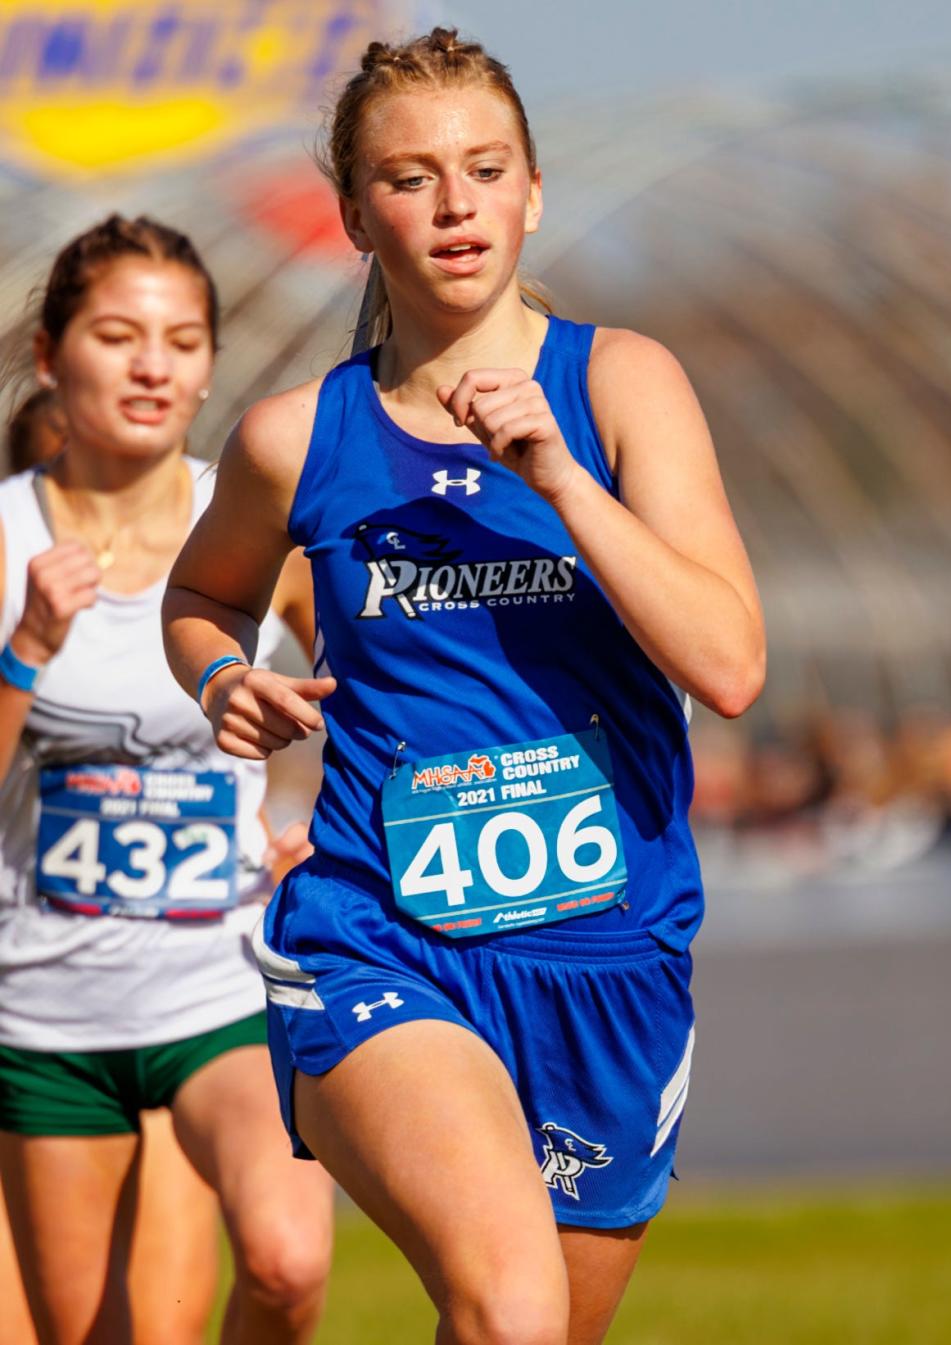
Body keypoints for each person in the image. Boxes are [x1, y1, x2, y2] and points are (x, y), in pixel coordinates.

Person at [163, 28, 765, 1345]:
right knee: (510, 1314)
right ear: (353, 212)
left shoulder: (619, 387)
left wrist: (561, 480)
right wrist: (221, 677)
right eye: (411, 176)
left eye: (485, 170)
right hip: (385, 937)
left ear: (533, 192)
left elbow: (728, 664)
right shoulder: (294, 437)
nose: (454, 206)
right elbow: (203, 597)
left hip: (609, 952)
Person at [0, 215, 332, 1345]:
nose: (153, 365)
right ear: (51, 356)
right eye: (118, 334)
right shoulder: (1, 538)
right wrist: (25, 648)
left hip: (224, 987)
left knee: (287, 1263)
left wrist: (325, 834)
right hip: (47, 1006)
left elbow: (384, 694)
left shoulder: (250, 523)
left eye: (183, 340)